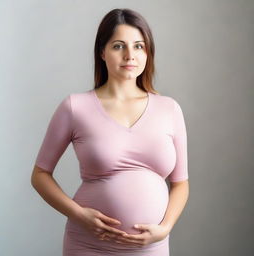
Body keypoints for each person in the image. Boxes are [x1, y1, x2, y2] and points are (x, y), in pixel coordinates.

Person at [31, 8, 189, 256]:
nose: (130, 55)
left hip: (151, 247)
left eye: (139, 46)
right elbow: (40, 174)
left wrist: (166, 228)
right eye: (118, 46)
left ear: (148, 52)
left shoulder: (169, 109)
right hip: (88, 245)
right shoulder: (75, 107)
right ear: (102, 52)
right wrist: (78, 214)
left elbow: (181, 184)